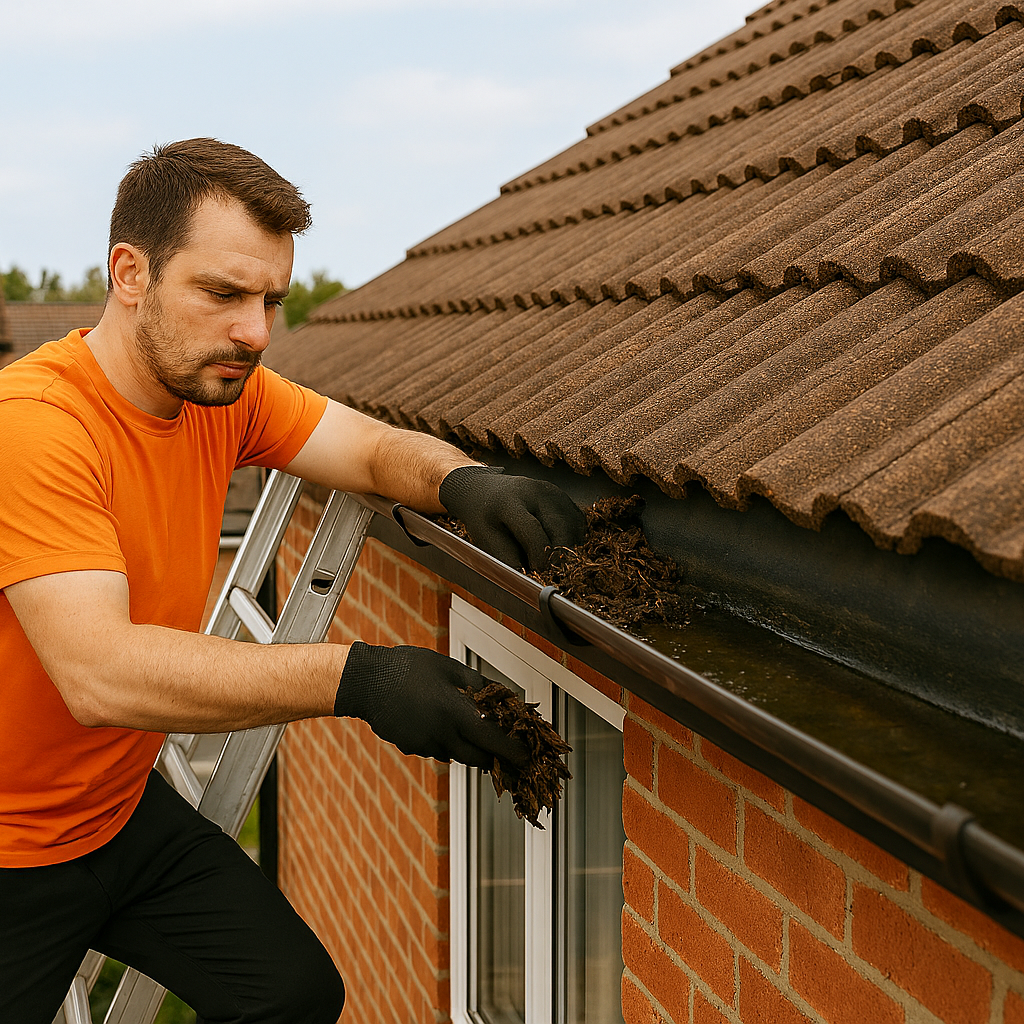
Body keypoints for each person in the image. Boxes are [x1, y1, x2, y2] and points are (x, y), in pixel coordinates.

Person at [0, 138, 586, 1024]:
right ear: (130, 273)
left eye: (270, 299)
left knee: (293, 996)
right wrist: (362, 678)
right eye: (223, 294)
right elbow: (99, 674)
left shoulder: (218, 391)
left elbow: (372, 447)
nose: (257, 331)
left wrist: (464, 482)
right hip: (9, 852)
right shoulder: (39, 427)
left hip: (116, 814)